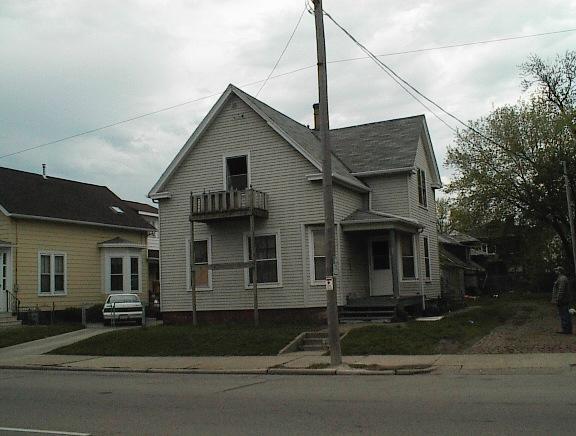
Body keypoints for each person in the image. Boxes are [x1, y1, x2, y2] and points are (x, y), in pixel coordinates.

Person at [551, 266, 572, 334]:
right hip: (563, 300)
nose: (555, 271)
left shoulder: (562, 279)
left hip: (563, 301)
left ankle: (566, 330)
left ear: (559, 271)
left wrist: (558, 300)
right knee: (564, 314)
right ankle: (566, 329)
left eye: (556, 270)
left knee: (564, 314)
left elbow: (561, 291)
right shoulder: (561, 278)